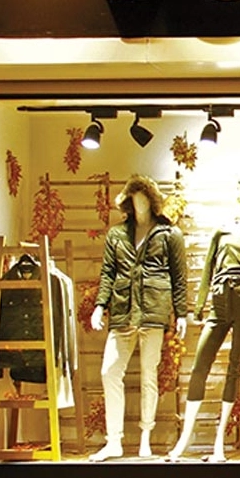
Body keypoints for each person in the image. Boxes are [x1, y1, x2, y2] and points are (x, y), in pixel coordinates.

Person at [167, 198, 240, 462]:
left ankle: (218, 444)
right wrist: (198, 307)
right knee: (200, 366)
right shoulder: (222, 233)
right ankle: (184, 440)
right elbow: (208, 269)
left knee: (234, 367)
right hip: (220, 299)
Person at [90, 175, 187, 461]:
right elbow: (108, 272)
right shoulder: (117, 234)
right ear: (128, 201)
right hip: (123, 311)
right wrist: (99, 305)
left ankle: (146, 437)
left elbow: (178, 277)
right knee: (109, 371)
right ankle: (114, 441)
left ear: (152, 201)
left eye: (144, 198)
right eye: (134, 198)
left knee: (149, 375)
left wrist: (181, 313)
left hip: (154, 310)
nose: (140, 203)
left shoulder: (169, 234)